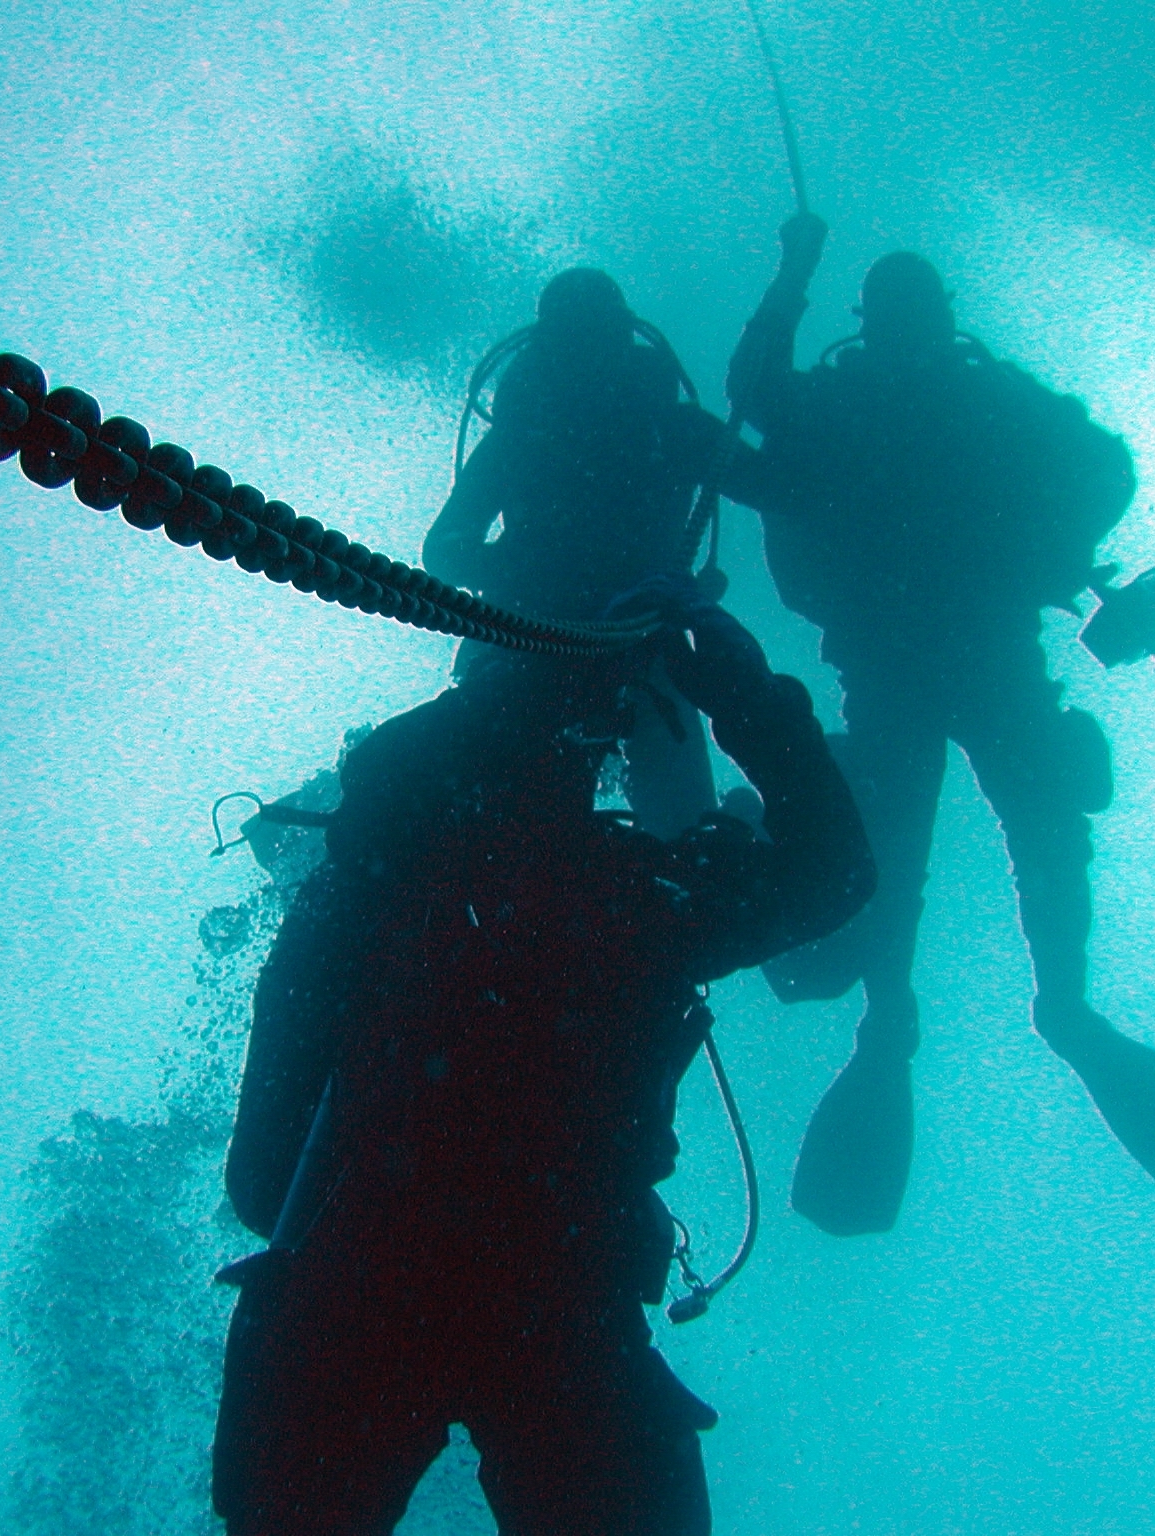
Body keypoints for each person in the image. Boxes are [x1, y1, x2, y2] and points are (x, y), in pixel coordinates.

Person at [212, 583, 875, 1535]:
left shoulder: (353, 901)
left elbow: (258, 1179)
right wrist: (739, 687)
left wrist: (376, 1235)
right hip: (561, 1311)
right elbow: (835, 871)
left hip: (351, 1297)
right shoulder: (628, 897)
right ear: (582, 747)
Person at [728, 216, 1155, 1236]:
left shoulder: (838, 401)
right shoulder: (986, 397)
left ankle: (891, 1022)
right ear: (942, 320)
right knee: (1040, 839)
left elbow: (751, 391)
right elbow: (1106, 466)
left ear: (866, 323)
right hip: (987, 662)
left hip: (892, 670)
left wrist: (791, 269)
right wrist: (1040, 549)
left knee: (893, 859)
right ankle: (1060, 1005)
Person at [421, 269, 740, 839]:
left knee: (496, 838)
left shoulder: (537, 436)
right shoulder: (667, 428)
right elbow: (443, 552)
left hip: (565, 641)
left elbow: (445, 551)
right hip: (559, 640)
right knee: (680, 835)